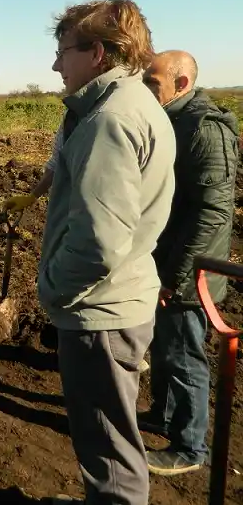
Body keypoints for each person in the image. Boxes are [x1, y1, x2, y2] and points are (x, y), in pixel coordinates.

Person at [37, 0, 176, 505]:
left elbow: (99, 244)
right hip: (121, 298)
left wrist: (52, 288)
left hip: (99, 311)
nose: (56, 64)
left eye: (63, 51)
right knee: (110, 438)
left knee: (109, 446)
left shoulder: (108, 121)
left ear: (96, 53)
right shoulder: (136, 104)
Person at [139, 50, 239, 475]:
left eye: (153, 81)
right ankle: (162, 416)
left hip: (189, 272)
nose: (146, 88)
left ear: (181, 84)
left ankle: (189, 447)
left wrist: (177, 277)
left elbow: (212, 213)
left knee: (183, 355)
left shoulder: (204, 127)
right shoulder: (171, 118)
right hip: (167, 263)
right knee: (164, 348)